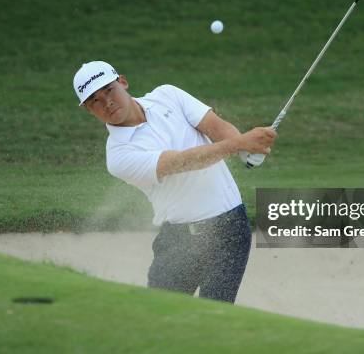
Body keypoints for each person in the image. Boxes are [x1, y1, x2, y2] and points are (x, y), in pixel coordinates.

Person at [72, 61, 276, 303]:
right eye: (94, 100)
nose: (107, 102)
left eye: (109, 90)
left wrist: (246, 148)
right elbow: (181, 162)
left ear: (123, 82)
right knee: (160, 315)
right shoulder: (118, 155)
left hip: (229, 229)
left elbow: (217, 127)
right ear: (88, 109)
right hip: (178, 240)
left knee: (215, 314)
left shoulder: (168, 95)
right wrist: (241, 144)